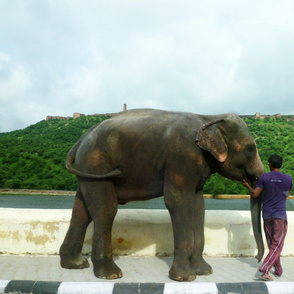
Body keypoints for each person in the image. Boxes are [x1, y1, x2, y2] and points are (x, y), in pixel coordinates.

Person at [242, 154, 292, 281]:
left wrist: (247, 185)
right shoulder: (288, 178)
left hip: (267, 215)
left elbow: (255, 193)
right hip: (280, 216)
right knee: (277, 244)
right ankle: (265, 269)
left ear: (270, 164)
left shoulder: (264, 178)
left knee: (273, 245)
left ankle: (278, 269)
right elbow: (286, 195)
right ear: (280, 165)